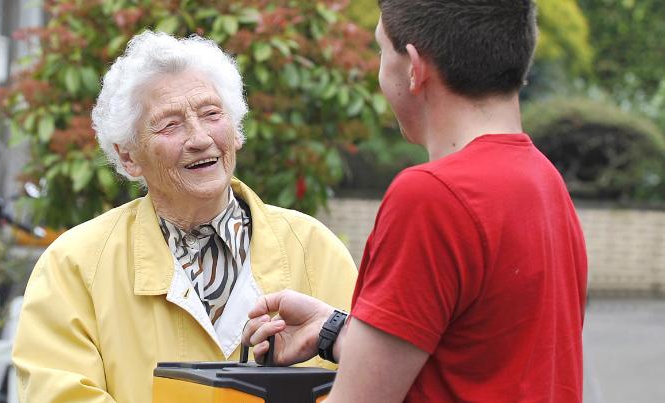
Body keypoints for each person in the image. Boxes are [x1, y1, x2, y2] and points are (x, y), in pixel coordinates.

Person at [242, 1, 588, 402]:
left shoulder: (433, 196)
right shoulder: (545, 182)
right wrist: (334, 329)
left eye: (380, 51)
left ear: (412, 67)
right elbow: (480, 355)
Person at [11, 31, 359, 402]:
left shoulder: (313, 248)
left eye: (212, 114)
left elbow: (372, 381)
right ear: (128, 156)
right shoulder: (75, 265)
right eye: (170, 124)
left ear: (236, 131)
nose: (199, 138)